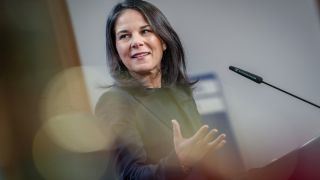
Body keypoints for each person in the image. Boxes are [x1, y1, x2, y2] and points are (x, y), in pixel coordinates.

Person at [95, 0, 227, 179]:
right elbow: (131, 176)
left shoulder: (180, 91)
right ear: (116, 50)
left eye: (146, 31)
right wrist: (180, 161)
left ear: (163, 41)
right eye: (125, 36)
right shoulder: (114, 102)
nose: (136, 42)